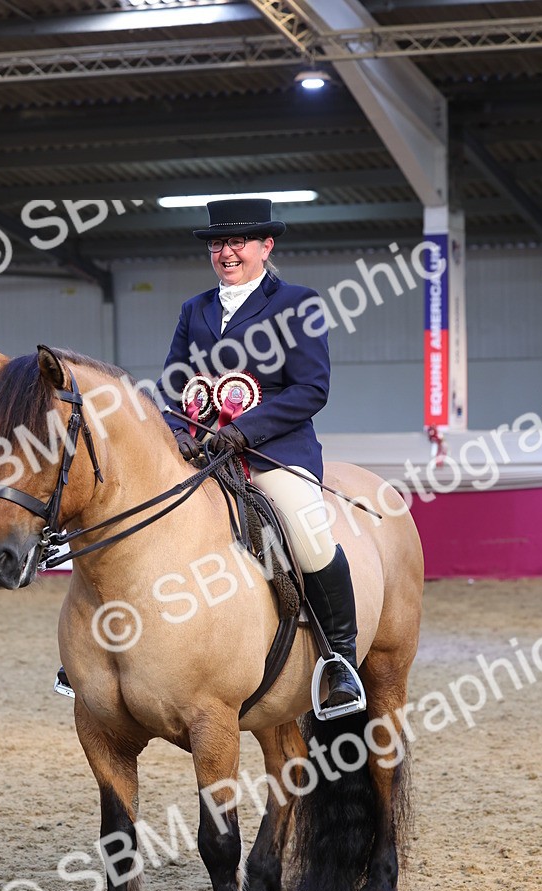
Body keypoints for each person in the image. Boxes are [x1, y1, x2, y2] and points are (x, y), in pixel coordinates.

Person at [156, 197, 364, 718]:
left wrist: (245, 431)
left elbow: (311, 389)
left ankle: (341, 659)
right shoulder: (194, 310)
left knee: (309, 533)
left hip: (273, 453)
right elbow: (173, 384)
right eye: (218, 244)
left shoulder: (298, 303)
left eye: (238, 242)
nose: (226, 253)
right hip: (202, 452)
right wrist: (179, 432)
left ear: (265, 246)